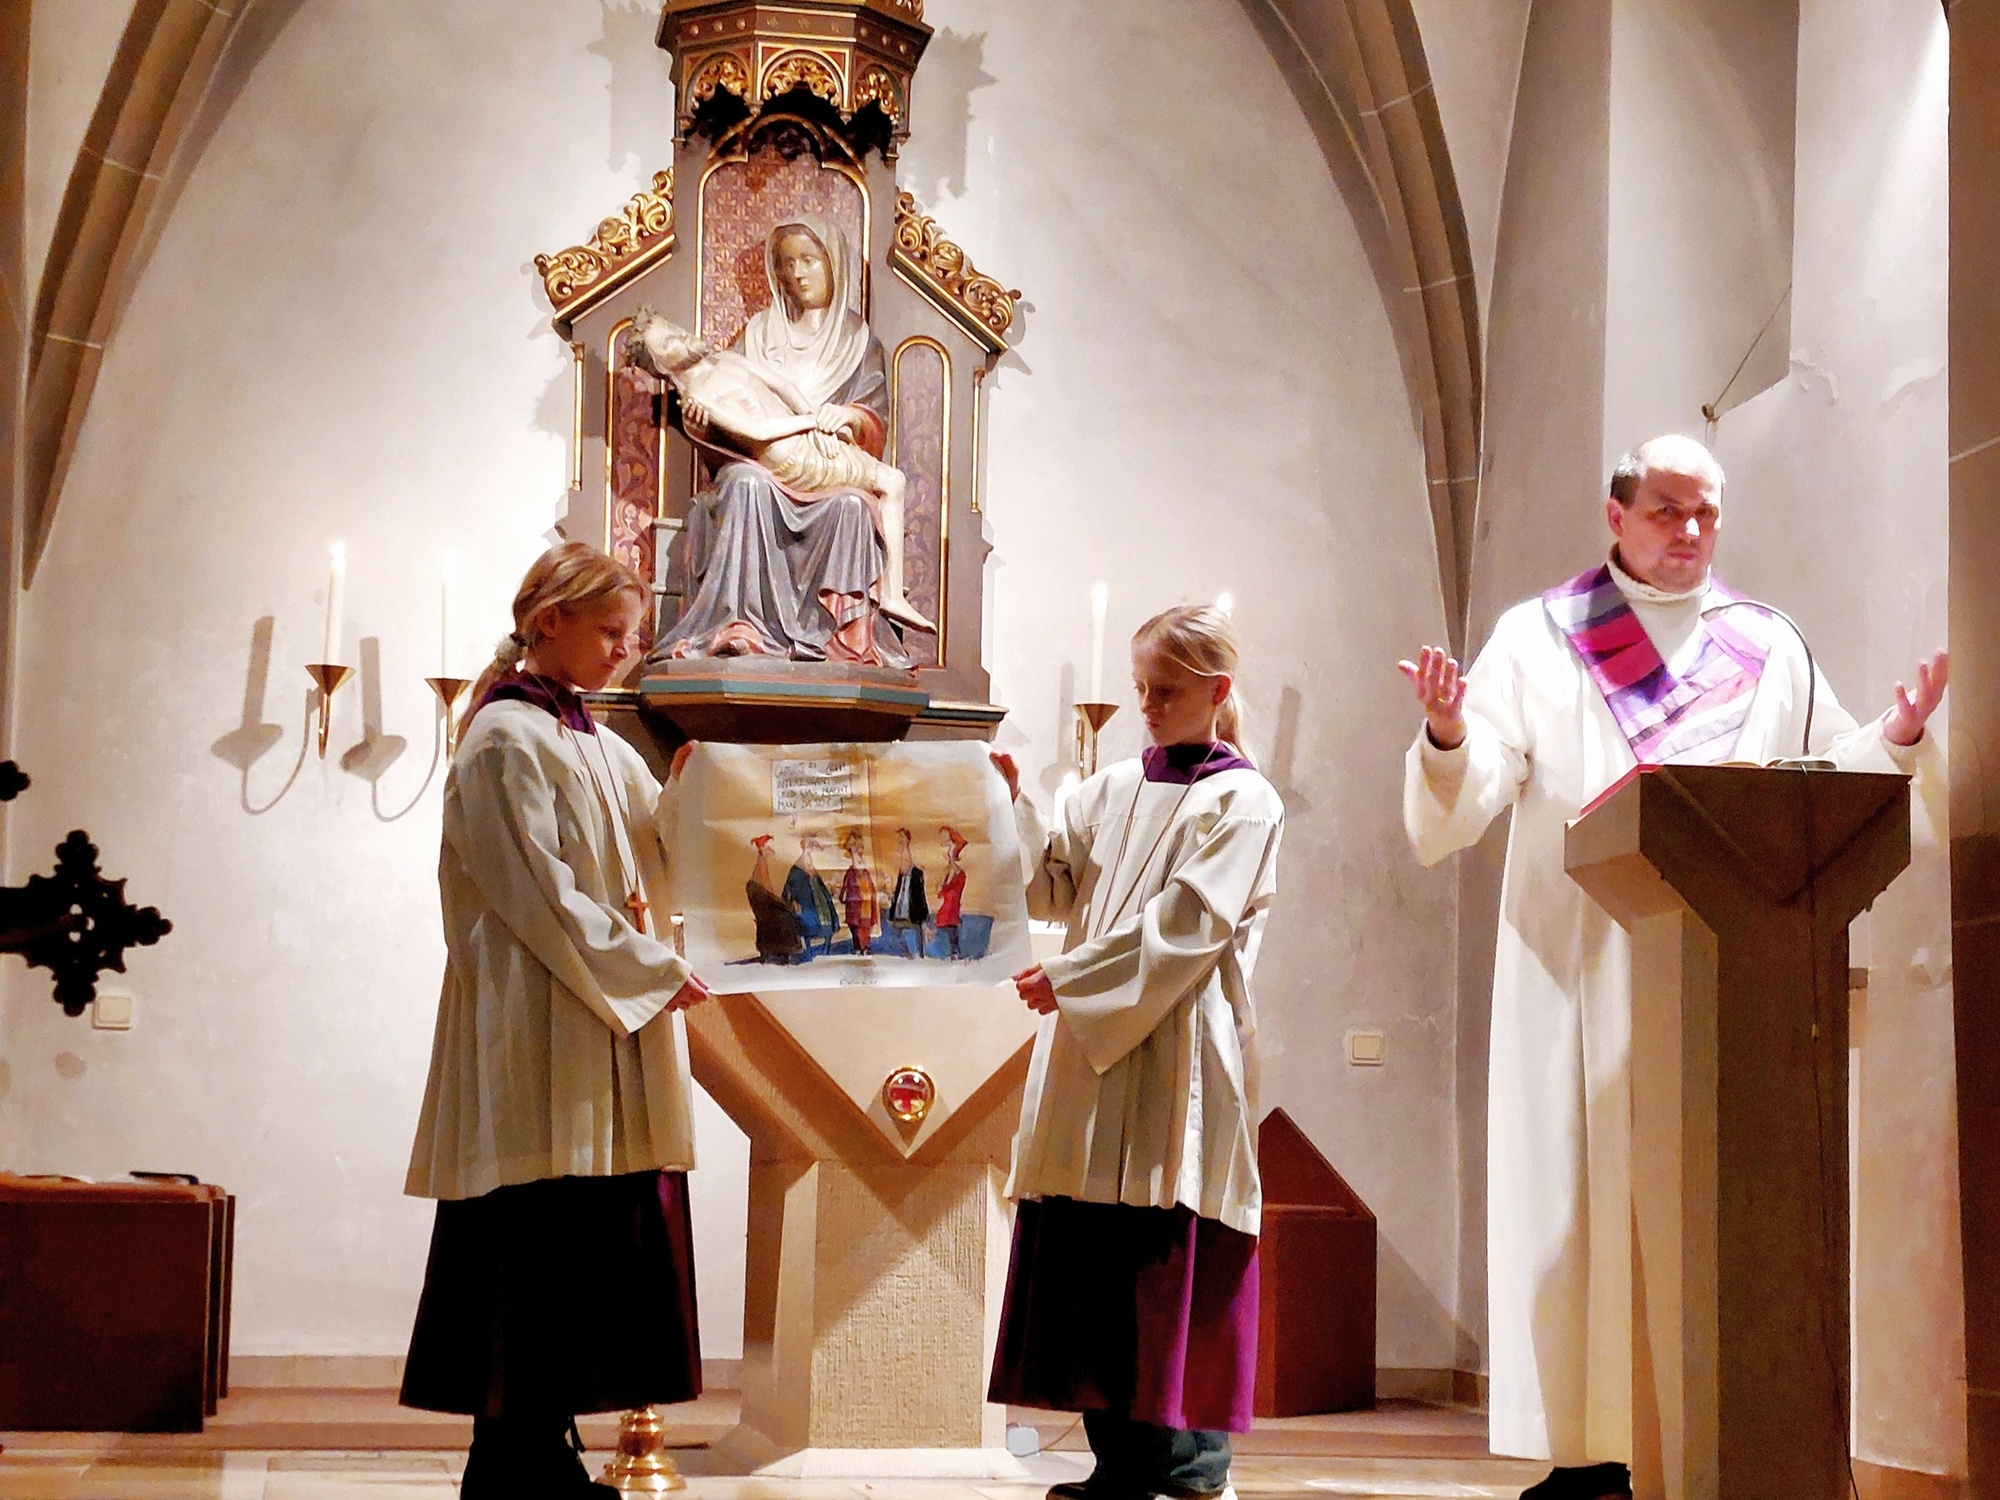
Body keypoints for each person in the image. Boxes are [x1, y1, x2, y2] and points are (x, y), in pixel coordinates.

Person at [1398, 435, 1947, 1500]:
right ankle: (1591, 1454)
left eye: (1703, 514)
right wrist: (1446, 733)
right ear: (1613, 517)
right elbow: (1467, 800)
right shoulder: (1539, 638)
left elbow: (1813, 781)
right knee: (1580, 1202)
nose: (1687, 533)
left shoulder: (1766, 642)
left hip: (1725, 975)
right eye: (1663, 511)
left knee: (1706, 1200)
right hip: (1580, 963)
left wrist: (1894, 737)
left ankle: (1704, 1444)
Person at [400, 542, 714, 1500]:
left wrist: (708, 794)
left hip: (592, 1021)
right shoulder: (502, 737)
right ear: (549, 625)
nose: (624, 650)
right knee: (531, 1243)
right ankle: (513, 1458)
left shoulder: (596, 739)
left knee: (580, 1249)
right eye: (611, 631)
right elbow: (540, 896)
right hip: (535, 1024)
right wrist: (656, 970)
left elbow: (656, 859)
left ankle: (536, 1451)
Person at [988, 604, 1284, 1500]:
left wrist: (1072, 980)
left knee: (1170, 1247)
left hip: (1182, 1046)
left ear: (1216, 692)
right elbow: (1051, 886)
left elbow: (1191, 926)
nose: (1148, 706)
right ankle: (1120, 1465)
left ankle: (1192, 1473)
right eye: (1141, 689)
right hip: (1093, 1046)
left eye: (1166, 691)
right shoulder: (1109, 788)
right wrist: (1011, 805)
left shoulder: (1244, 798)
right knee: (1099, 1253)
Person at [647, 216, 915, 665]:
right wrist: (699, 423)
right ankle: (740, 626)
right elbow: (728, 413)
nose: (798, 274)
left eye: (810, 260)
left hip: (827, 462)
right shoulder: (758, 333)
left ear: (835, 266)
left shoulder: (860, 343)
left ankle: (838, 639)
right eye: (788, 263)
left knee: (851, 507)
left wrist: (843, 417)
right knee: (744, 486)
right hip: (763, 462)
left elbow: (873, 422)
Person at [628, 310, 932, 634]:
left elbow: (783, 386)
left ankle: (890, 593)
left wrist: (821, 425)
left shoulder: (727, 361)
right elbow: (756, 432)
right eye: (670, 341)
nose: (683, 337)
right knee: (892, 480)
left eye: (677, 328)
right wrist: (810, 424)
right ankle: (892, 596)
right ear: (661, 365)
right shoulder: (697, 396)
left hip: (806, 438)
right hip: (790, 456)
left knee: (886, 483)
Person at [747, 834, 803, 964]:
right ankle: (779, 949)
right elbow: (766, 888)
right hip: (762, 900)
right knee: (784, 917)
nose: (772, 851)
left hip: (760, 897)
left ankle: (776, 949)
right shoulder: (761, 866)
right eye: (768, 848)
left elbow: (765, 888)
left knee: (782, 914)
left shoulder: (760, 866)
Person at [783, 834, 839, 959]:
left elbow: (819, 885)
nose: (812, 848)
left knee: (827, 924)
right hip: (806, 905)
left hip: (820, 903)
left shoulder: (810, 866)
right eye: (809, 845)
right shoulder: (796, 869)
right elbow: (788, 891)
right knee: (808, 926)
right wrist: (793, 903)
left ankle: (825, 951)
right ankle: (809, 953)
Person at [885, 827, 929, 958]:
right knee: (895, 927)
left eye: (902, 839)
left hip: (913, 912)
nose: (900, 842)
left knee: (916, 928)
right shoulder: (902, 872)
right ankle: (906, 952)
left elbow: (920, 895)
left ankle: (919, 953)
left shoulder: (915, 873)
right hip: (900, 911)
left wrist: (923, 916)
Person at [839, 828, 879, 956]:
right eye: (856, 846)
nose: (859, 849)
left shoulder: (865, 873)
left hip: (866, 907)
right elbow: (844, 893)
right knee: (857, 929)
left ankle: (865, 948)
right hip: (856, 909)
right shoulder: (850, 874)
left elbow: (872, 889)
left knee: (865, 929)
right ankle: (859, 948)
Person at [933, 825, 968, 959]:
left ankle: (955, 954)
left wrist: (951, 855)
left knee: (953, 941)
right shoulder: (950, 879)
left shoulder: (960, 877)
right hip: (944, 916)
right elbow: (939, 893)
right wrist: (943, 878)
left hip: (951, 916)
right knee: (948, 942)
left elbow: (957, 869)